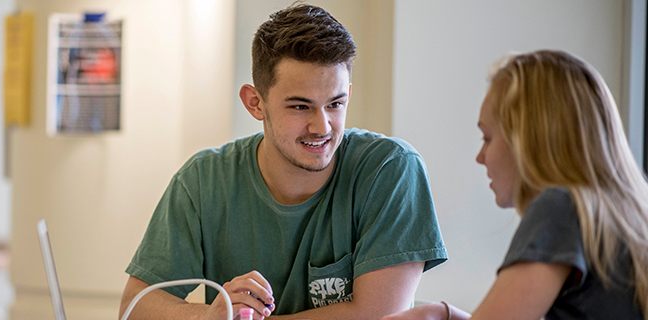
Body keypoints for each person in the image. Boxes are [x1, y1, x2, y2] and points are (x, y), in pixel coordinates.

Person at [119, 4, 448, 320]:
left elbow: (380, 317)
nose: (322, 127)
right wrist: (208, 316)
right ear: (255, 103)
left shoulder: (390, 169)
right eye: (300, 107)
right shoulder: (202, 181)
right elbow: (136, 308)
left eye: (335, 104)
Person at [384, 50, 648, 320]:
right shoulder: (622, 215)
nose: (480, 157)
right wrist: (447, 314)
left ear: (529, 140)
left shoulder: (560, 208)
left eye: (487, 138)